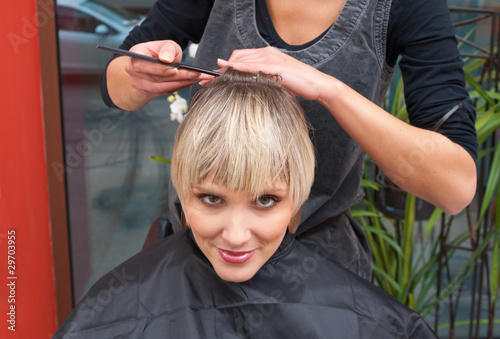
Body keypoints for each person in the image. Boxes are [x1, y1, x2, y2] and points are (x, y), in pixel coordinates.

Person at [100, 0, 478, 280]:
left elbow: (454, 186)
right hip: (200, 247)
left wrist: (330, 90)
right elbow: (117, 79)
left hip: (317, 268)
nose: (239, 235)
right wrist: (139, 76)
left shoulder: (404, 7)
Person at [54, 69, 437, 338]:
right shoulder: (113, 311)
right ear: (182, 191)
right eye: (211, 198)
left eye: (266, 201)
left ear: (297, 199)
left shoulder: (372, 325)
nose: (236, 236)